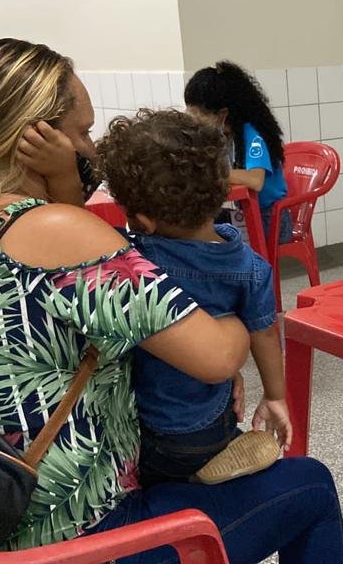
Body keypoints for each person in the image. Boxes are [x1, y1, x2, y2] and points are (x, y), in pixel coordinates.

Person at [0, 38, 343, 564]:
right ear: (34, 137)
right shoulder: (57, 231)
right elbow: (218, 357)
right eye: (83, 132)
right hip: (87, 537)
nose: (90, 150)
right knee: (311, 485)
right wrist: (239, 305)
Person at [96, 109, 289, 488]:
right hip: (213, 424)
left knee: (154, 474)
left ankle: (174, 491)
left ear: (143, 220)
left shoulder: (135, 259)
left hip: (149, 431)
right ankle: (209, 466)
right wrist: (275, 397)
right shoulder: (252, 267)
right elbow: (265, 335)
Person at [183, 61, 294, 245]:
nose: (192, 120)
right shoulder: (223, 135)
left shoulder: (252, 133)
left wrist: (209, 172)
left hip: (272, 220)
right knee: (199, 228)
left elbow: (255, 180)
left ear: (222, 114)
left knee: (207, 239)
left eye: (197, 114)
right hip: (247, 213)